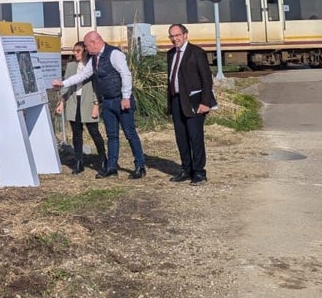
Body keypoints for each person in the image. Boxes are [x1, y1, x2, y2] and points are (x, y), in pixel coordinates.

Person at [52, 31, 146, 179]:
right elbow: (82, 75)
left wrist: (126, 97)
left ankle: (140, 166)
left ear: (94, 42)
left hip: (121, 99)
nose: (86, 50)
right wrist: (63, 83)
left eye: (87, 46)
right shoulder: (94, 59)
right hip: (107, 101)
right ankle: (111, 167)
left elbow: (125, 74)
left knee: (130, 134)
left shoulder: (114, 54)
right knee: (112, 136)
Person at [165, 23, 216, 184]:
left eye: (177, 35)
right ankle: (186, 168)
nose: (175, 39)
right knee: (181, 137)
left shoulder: (196, 52)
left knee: (195, 137)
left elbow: (207, 79)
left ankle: (199, 172)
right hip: (176, 101)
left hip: (194, 101)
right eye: (172, 36)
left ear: (185, 35)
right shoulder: (171, 54)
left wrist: (205, 102)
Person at [54, 41, 107, 173]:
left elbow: (96, 86)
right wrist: (62, 102)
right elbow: (66, 85)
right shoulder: (71, 66)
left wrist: (96, 104)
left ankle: (103, 159)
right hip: (73, 101)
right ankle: (79, 161)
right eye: (74, 51)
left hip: (88, 101)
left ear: (85, 51)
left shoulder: (92, 65)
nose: (75, 53)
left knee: (94, 131)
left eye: (78, 51)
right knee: (76, 133)